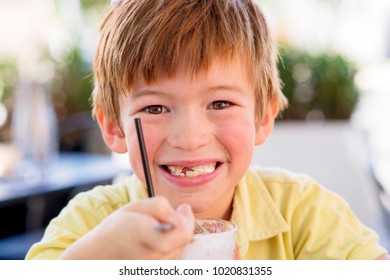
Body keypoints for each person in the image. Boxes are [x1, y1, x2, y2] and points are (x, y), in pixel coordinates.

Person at [26, 0, 389, 260]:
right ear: (114, 127)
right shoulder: (90, 223)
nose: (189, 138)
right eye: (154, 108)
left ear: (263, 118)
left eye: (220, 104)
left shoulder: (303, 212)